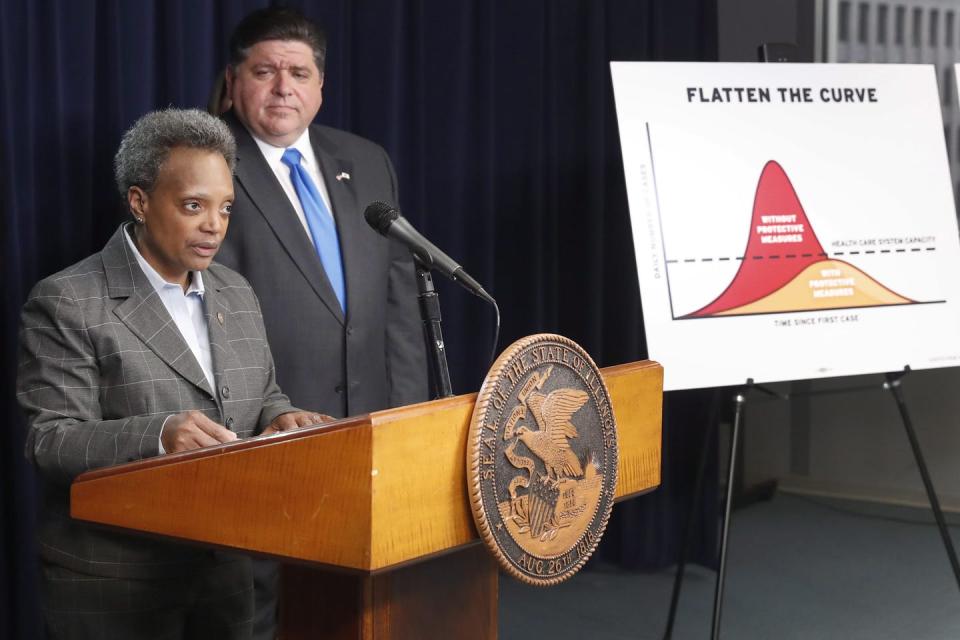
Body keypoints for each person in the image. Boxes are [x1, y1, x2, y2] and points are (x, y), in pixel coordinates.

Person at [17, 108, 324, 639]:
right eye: (193, 206)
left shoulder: (237, 291)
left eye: (225, 207)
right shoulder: (67, 298)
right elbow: (51, 441)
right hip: (116, 585)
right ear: (139, 202)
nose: (215, 225)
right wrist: (160, 435)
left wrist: (284, 419)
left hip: (225, 576)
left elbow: (263, 394)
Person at [215, 8, 429, 637]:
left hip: (367, 434)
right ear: (233, 82)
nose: (284, 87)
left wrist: (407, 422)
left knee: (354, 613)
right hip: (264, 440)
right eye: (265, 71)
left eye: (299, 73)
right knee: (260, 613)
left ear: (320, 87)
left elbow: (397, 314)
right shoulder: (203, 162)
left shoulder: (365, 162)